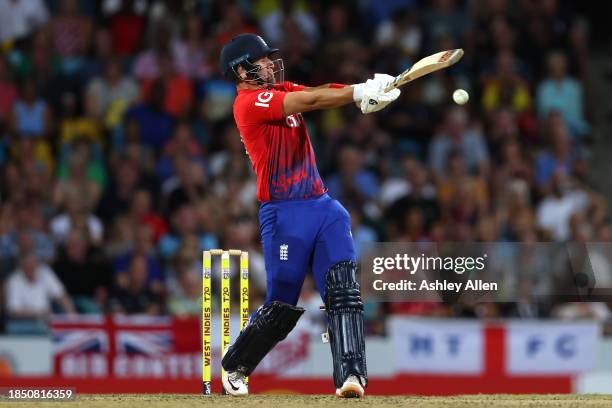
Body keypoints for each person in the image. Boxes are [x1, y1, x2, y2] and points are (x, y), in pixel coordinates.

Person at [217, 33, 400, 398]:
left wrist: (360, 91)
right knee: (282, 303)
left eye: (270, 58)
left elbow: (321, 89)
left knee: (343, 291)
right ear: (241, 70)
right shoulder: (248, 104)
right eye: (262, 60)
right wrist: (358, 92)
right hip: (284, 213)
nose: (271, 64)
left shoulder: (279, 88)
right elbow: (311, 99)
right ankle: (235, 366)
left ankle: (351, 376)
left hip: (322, 206)